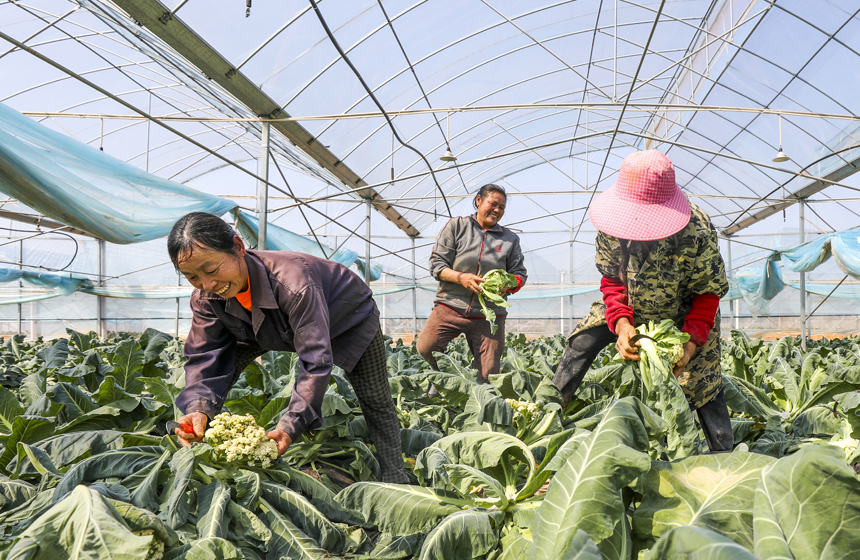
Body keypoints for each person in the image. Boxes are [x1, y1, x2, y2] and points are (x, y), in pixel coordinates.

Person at [168, 212, 409, 483]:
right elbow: (204, 356)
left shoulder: (295, 284)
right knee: (210, 387)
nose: (208, 284)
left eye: (212, 270)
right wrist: (198, 408)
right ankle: (207, 451)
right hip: (263, 327)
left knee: (375, 398)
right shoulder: (206, 296)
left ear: (238, 246)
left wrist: (291, 425)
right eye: (192, 276)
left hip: (347, 319)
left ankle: (396, 476)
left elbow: (315, 360)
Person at [552, 150, 733, 453]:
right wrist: (622, 325)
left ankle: (723, 454)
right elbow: (612, 280)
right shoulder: (611, 223)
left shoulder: (697, 229)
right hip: (630, 306)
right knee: (582, 341)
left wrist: (690, 343)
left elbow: (707, 292)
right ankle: (549, 415)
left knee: (703, 380)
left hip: (683, 313)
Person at [417, 184, 528, 383]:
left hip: (489, 314)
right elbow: (437, 264)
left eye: (501, 207)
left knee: (489, 374)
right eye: (493, 204)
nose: (497, 210)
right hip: (451, 304)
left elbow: (519, 274)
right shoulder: (457, 226)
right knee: (426, 347)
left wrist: (507, 285)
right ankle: (446, 377)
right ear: (478, 200)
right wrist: (462, 278)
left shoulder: (510, 239)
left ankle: (478, 399)